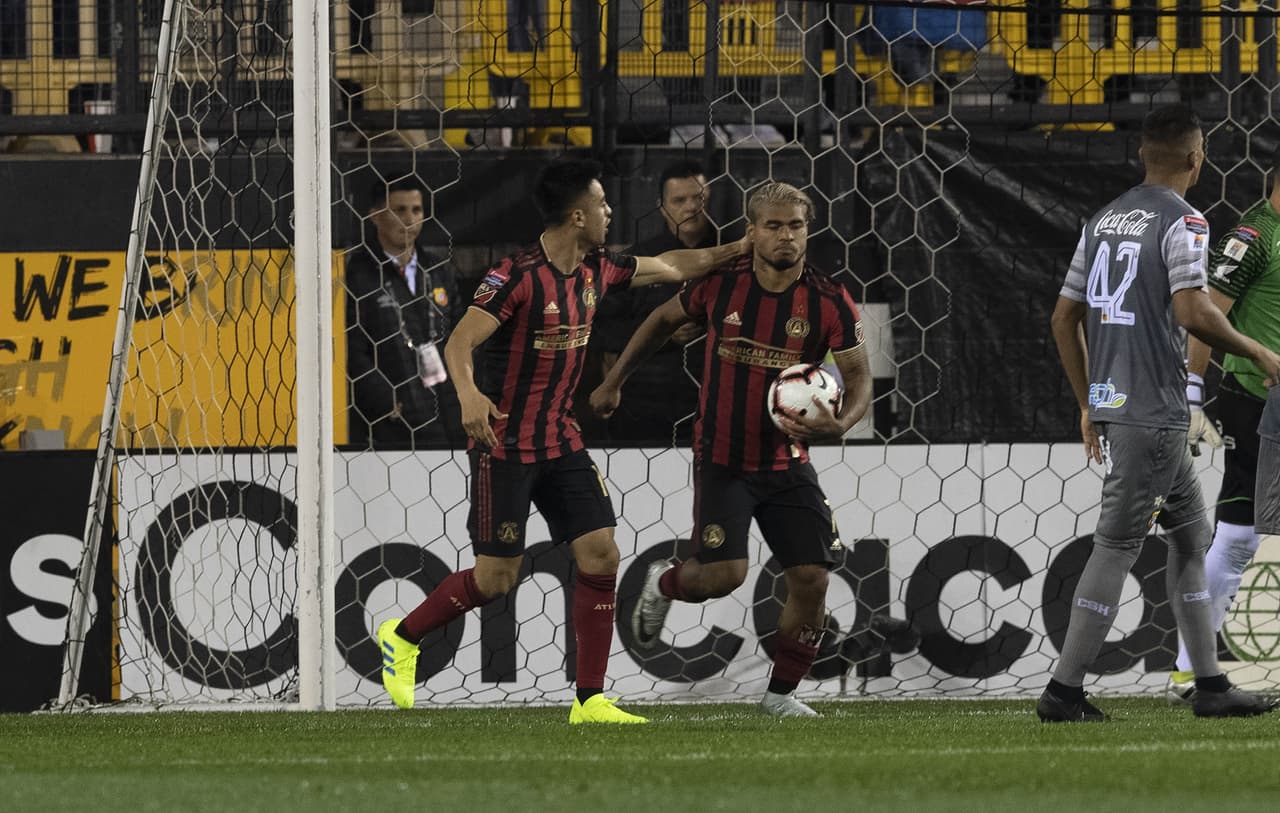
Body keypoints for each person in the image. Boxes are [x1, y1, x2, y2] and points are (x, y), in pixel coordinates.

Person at [376, 159, 749, 723]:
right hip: (505, 446)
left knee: (601, 552)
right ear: (577, 216)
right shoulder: (517, 276)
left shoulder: (601, 268)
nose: (609, 212)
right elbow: (458, 343)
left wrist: (738, 248)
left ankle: (589, 699)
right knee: (495, 579)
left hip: (561, 440)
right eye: (601, 204)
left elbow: (674, 264)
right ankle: (402, 635)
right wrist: (470, 395)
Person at [592, 181, 874, 717]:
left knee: (812, 577)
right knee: (723, 576)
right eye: (773, 225)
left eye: (796, 226)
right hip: (723, 457)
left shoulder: (829, 299)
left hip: (788, 461)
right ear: (752, 231)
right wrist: (614, 381)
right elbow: (661, 320)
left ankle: (781, 696)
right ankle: (664, 583)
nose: (786, 236)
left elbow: (859, 378)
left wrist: (842, 422)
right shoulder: (722, 283)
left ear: (807, 232)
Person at [1043, 104, 1280, 722]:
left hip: (1128, 405)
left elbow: (1064, 318)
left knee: (1191, 540)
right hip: (1153, 409)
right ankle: (1063, 692)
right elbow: (1193, 312)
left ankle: (1210, 684)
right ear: (1197, 159)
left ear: (1142, 155)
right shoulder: (1185, 221)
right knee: (1117, 545)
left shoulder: (1102, 220)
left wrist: (1089, 400)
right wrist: (1258, 351)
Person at [1167, 151, 1280, 702]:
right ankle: (1190, 669)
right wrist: (1192, 390)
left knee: (1244, 538)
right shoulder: (1254, 237)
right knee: (1237, 538)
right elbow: (1205, 313)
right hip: (1257, 401)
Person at [594, 160, 715, 445]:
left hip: (714, 403)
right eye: (679, 200)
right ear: (661, 206)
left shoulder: (732, 257)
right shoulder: (638, 262)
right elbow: (606, 332)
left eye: (698, 198)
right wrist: (664, 333)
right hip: (646, 405)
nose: (690, 207)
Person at [345, 179, 466, 450]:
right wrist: (383, 399)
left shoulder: (438, 270)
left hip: (451, 410)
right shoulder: (358, 275)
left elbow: (461, 333)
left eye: (416, 210)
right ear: (375, 215)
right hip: (396, 418)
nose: (409, 220)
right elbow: (352, 347)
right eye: (399, 210)